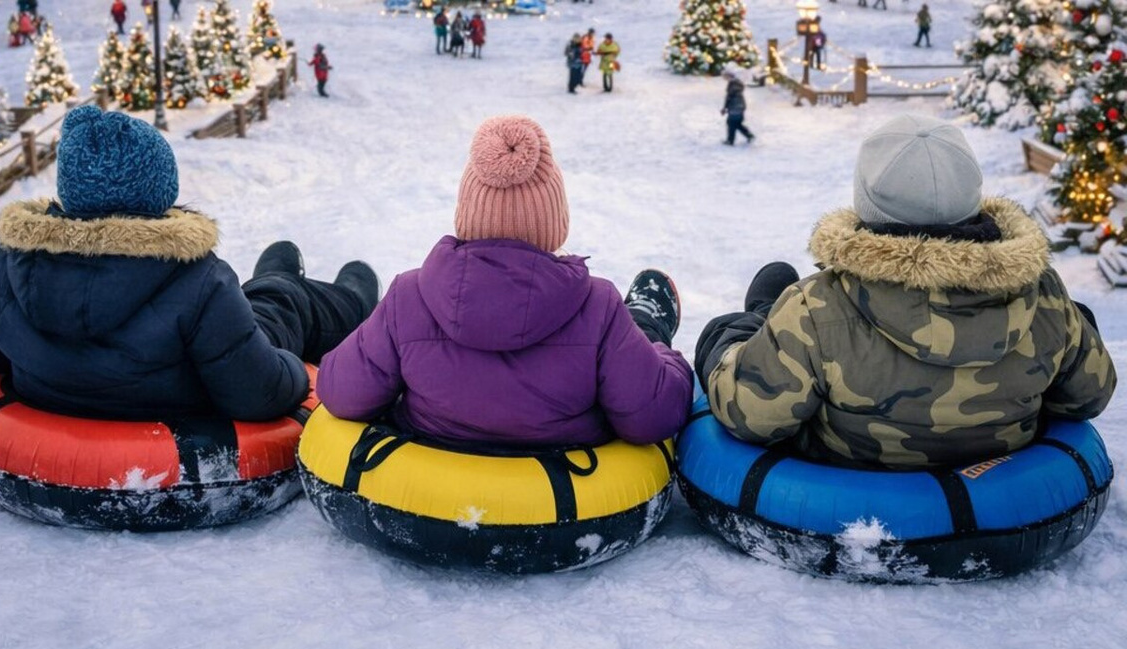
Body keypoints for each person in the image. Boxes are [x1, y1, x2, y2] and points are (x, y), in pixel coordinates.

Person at [694, 115, 1117, 470]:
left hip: (851, 480)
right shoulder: (1044, 296)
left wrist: (726, 340)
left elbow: (750, 416)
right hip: (1001, 473)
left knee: (758, 314)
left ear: (868, 202)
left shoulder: (818, 306)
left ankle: (757, 323)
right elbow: (1089, 395)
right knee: (1073, 320)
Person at [0, 107, 380, 423]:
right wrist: (295, 367)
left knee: (242, 311)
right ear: (158, 194)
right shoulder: (195, 277)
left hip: (55, 403)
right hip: (179, 405)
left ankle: (278, 279)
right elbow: (257, 395)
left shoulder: (5, 261)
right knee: (279, 308)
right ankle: (339, 299)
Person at [320, 116, 693, 448]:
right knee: (640, 347)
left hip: (433, 492)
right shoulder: (599, 306)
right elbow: (652, 416)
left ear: (467, 214)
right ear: (553, 223)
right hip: (561, 496)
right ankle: (648, 327)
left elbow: (342, 393)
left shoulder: (408, 296)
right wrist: (663, 355)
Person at [720, 71, 755, 145]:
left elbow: (729, 98)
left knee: (731, 123)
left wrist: (724, 108)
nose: (724, 78)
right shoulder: (736, 84)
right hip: (740, 107)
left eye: (725, 76)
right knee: (737, 124)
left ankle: (730, 140)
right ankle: (749, 135)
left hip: (735, 107)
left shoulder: (733, 85)